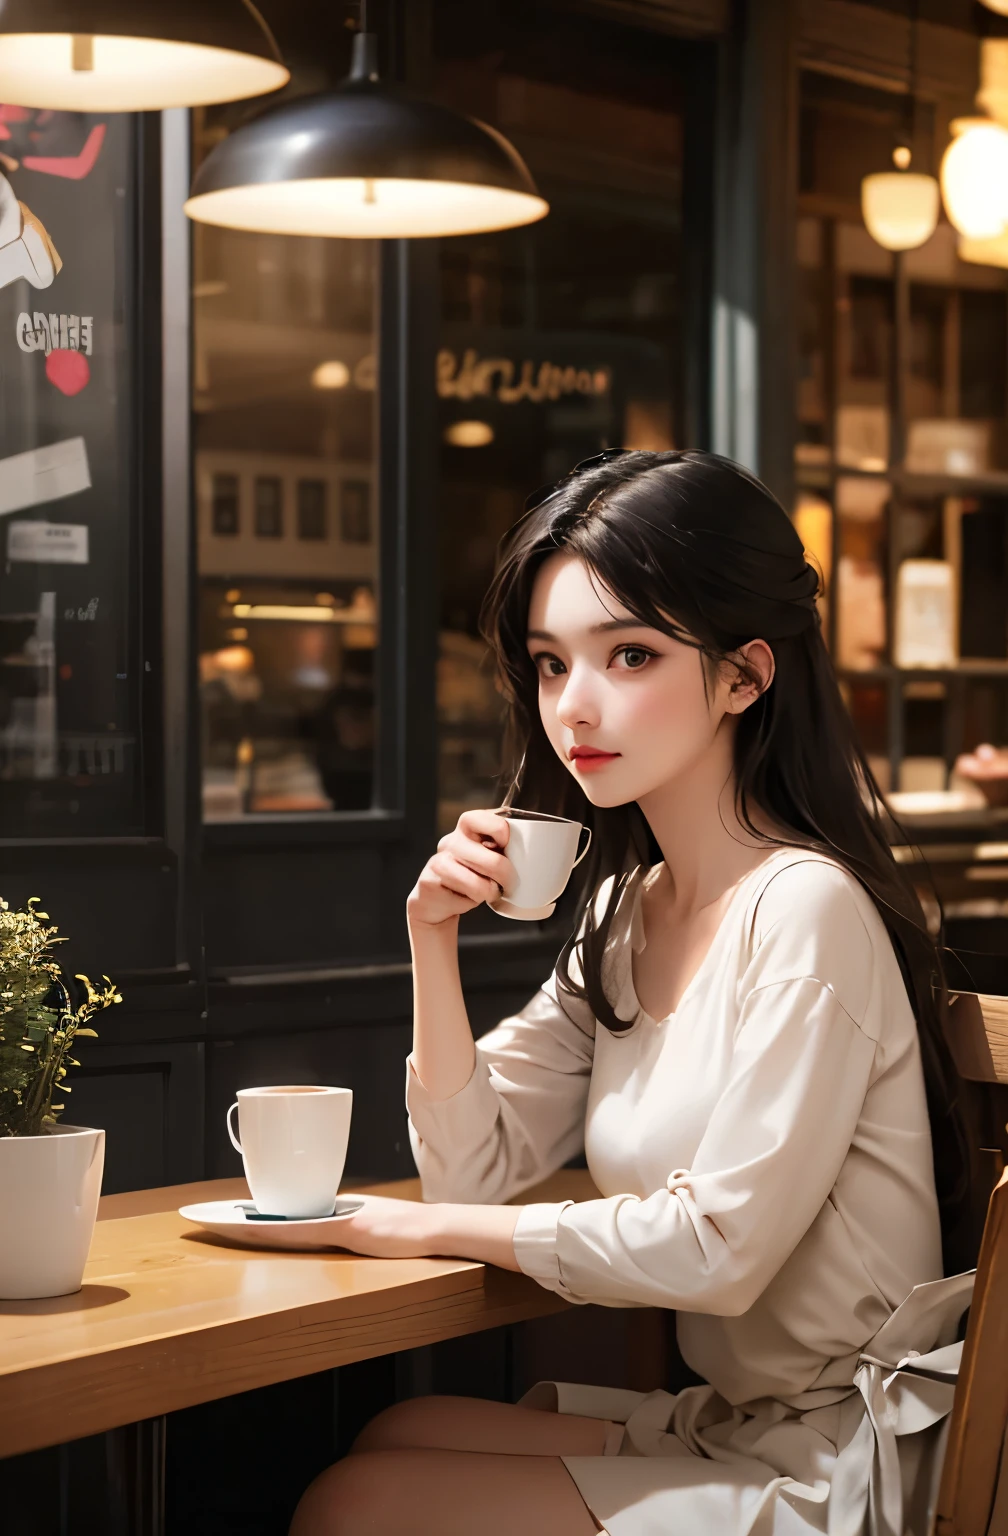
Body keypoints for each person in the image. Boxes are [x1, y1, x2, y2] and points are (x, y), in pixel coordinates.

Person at [290, 450, 973, 1536]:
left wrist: (415, 1233)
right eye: (552, 664)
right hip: (736, 1422)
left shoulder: (805, 910)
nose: (577, 706)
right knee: (389, 1441)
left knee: (358, 1503)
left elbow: (717, 1251)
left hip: (849, 1462)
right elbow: (472, 1164)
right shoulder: (626, 912)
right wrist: (431, 941)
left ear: (747, 676)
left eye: (632, 655)